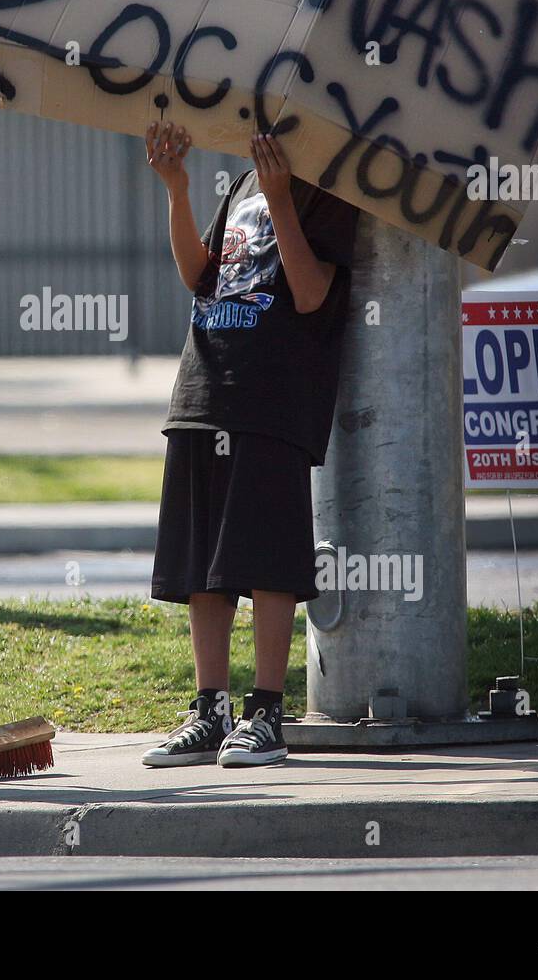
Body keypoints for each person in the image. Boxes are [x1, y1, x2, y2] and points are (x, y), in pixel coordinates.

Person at [141, 119, 359, 769]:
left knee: (266, 558)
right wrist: (177, 190)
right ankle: (210, 708)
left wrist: (284, 196)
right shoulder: (240, 186)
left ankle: (266, 710)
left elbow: (313, 290)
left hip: (273, 397)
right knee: (201, 565)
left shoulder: (330, 190)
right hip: (204, 387)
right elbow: (196, 273)